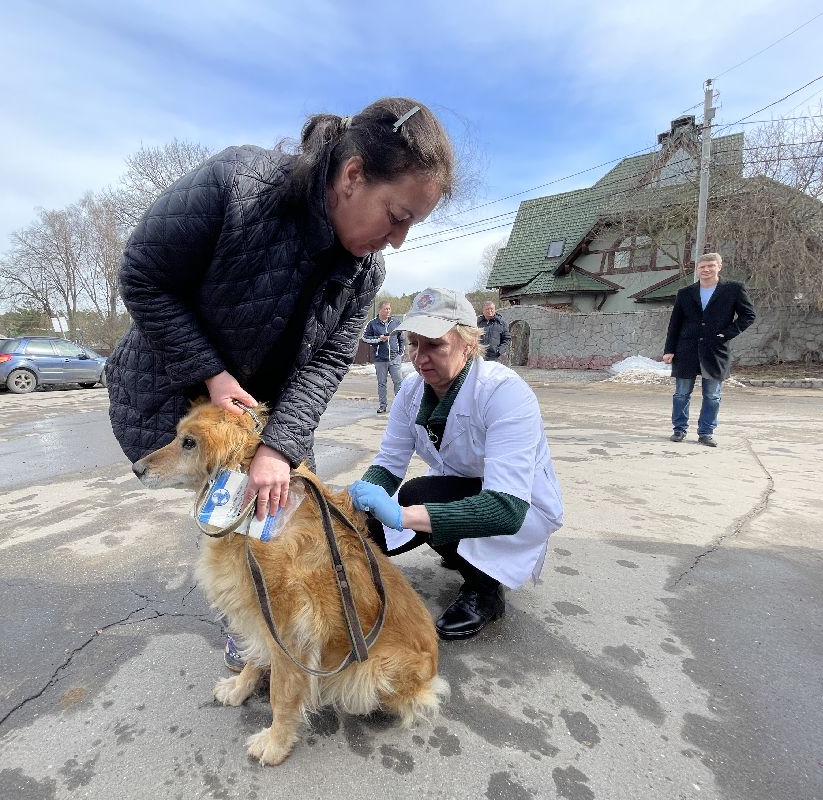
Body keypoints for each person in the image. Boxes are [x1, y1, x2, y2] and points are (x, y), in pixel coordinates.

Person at [107, 99, 455, 666]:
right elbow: (144, 280)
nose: (398, 240)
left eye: (412, 224)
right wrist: (211, 375)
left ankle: (266, 621)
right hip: (181, 385)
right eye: (397, 216)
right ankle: (245, 620)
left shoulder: (366, 269)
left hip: (272, 414)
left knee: (272, 519)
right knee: (223, 515)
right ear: (352, 175)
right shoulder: (236, 184)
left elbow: (330, 358)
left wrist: (280, 445)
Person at [349, 288, 564, 641]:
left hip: (518, 503)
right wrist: (361, 498)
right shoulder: (411, 391)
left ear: (467, 344)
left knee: (418, 496)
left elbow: (506, 508)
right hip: (462, 486)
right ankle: (458, 550)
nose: (420, 358)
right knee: (367, 529)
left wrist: (404, 517)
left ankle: (485, 591)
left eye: (434, 345)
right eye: (414, 344)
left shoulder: (505, 392)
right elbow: (389, 462)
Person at [662, 252, 756, 447]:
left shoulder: (733, 289)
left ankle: (706, 432)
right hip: (686, 349)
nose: (706, 270)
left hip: (715, 350)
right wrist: (669, 349)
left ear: (719, 267)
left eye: (710, 266)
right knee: (681, 393)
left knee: (712, 395)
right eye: (702, 267)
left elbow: (748, 315)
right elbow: (675, 323)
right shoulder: (685, 293)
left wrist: (725, 334)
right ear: (697, 269)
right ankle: (679, 430)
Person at [361, 301, 406, 413]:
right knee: (382, 383)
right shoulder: (372, 324)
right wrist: (379, 339)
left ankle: (399, 406)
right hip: (380, 359)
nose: (388, 311)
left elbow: (402, 338)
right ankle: (383, 406)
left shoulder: (396, 322)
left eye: (389, 309)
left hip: (395, 358)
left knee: (398, 382)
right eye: (386, 309)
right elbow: (365, 338)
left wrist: (401, 352)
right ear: (380, 310)